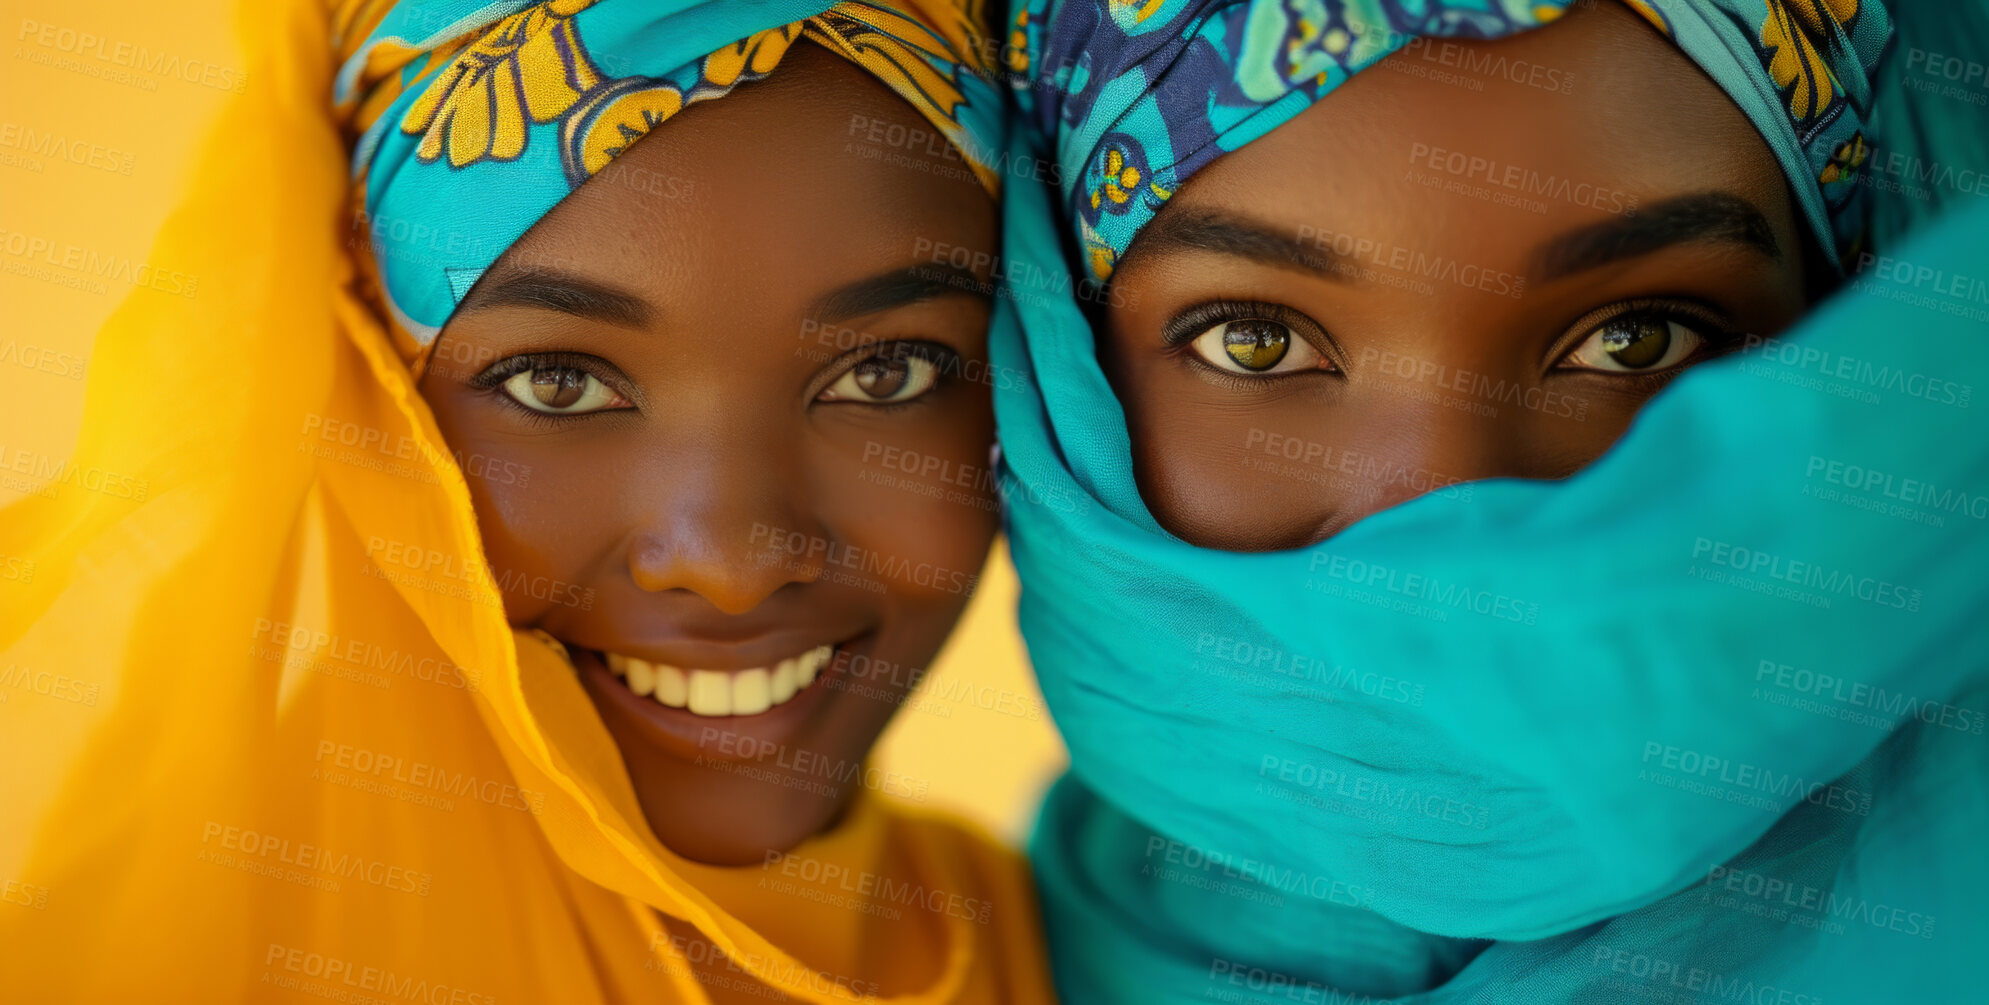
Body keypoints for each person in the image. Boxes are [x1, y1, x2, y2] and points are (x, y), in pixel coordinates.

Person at [0, 0, 1055, 1001]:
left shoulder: (1067, 951)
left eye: (888, 374)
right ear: (379, 409)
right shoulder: (156, 963)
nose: (730, 563)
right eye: (558, 383)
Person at [995, 0, 1988, 1001]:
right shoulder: (942, 954)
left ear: (1850, 327)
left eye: (1634, 340)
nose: (1443, 520)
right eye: (1256, 340)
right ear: (1067, 382)